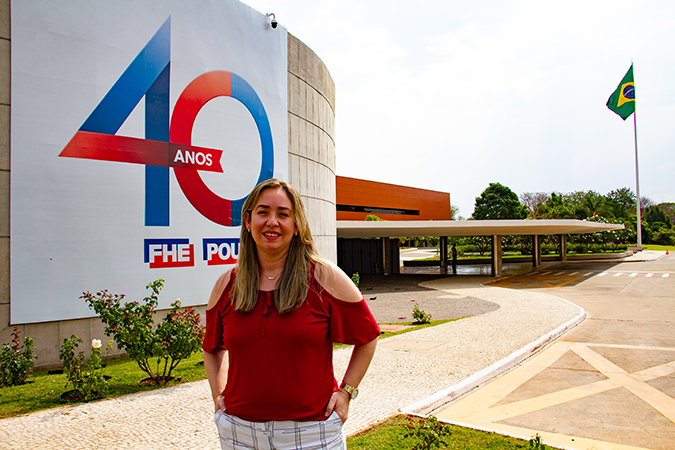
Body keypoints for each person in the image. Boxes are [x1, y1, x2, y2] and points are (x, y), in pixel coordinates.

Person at [203, 178, 380, 450]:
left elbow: (367, 336)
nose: (272, 222)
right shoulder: (227, 284)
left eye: (283, 214)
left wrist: (346, 392)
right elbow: (212, 348)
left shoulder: (324, 277)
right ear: (248, 222)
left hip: (311, 433)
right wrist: (219, 394)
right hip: (240, 433)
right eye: (263, 212)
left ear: (296, 226)